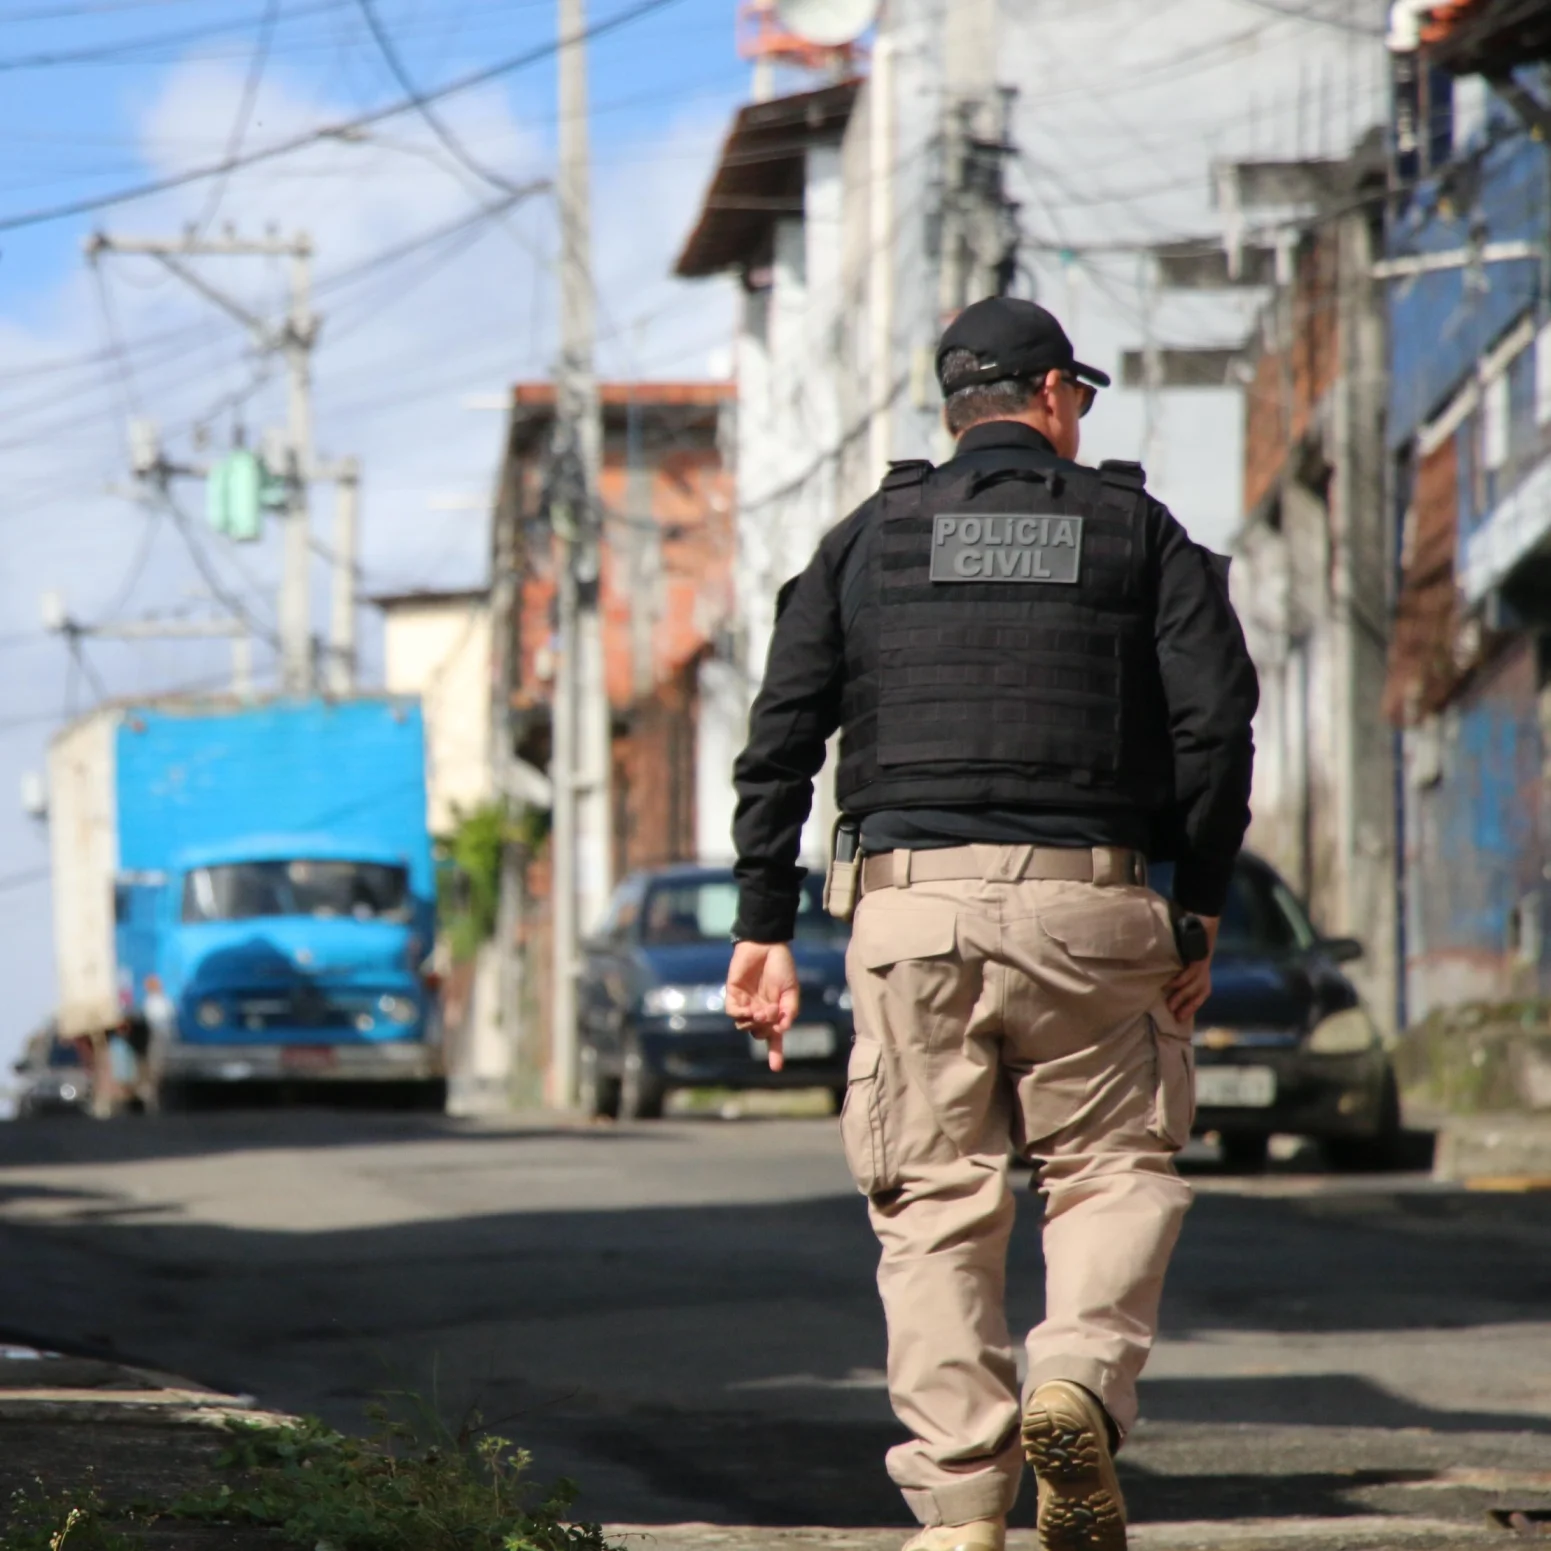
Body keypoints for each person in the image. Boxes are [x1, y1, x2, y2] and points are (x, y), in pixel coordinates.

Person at [724, 296, 1258, 1551]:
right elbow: (1216, 732)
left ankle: (962, 1505)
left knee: (932, 1202)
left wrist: (763, 922)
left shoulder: (866, 540)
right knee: (1113, 1167)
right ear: (1056, 395)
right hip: (1096, 904)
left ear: (955, 407)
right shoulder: (1140, 533)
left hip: (910, 912)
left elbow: (780, 736)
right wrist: (1197, 903)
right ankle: (1072, 1373)